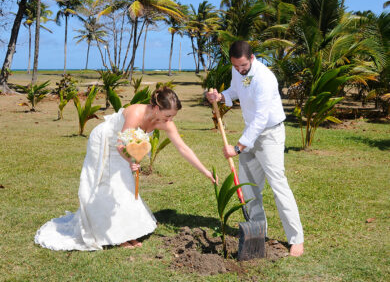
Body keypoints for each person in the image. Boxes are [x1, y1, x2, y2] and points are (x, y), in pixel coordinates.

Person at [35, 87, 216, 251]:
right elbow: (120, 144)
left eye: (172, 117)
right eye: (167, 115)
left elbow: (183, 148)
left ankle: (125, 232)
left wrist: (205, 171)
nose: (170, 120)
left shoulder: (165, 123)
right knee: (108, 186)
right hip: (105, 142)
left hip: (124, 150)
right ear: (156, 107)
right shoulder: (136, 113)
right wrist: (130, 161)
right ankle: (117, 235)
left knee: (125, 186)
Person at [206, 41, 304, 257]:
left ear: (252, 58)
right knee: (249, 186)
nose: (240, 70)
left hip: (269, 134)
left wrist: (238, 148)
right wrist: (221, 96)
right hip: (250, 132)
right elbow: (235, 90)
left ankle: (296, 239)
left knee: (278, 184)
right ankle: (258, 232)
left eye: (243, 66)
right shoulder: (237, 69)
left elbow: (261, 118)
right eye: (235, 66)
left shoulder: (265, 78)